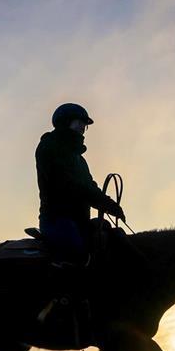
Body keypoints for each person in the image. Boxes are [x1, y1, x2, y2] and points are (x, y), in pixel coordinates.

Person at [35, 102, 125, 264]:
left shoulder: (79, 159)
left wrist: (110, 204)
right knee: (76, 257)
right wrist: (104, 203)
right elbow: (69, 185)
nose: (83, 126)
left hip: (79, 221)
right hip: (57, 220)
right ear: (65, 121)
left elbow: (89, 185)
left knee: (113, 240)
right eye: (79, 121)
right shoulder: (48, 147)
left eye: (85, 124)